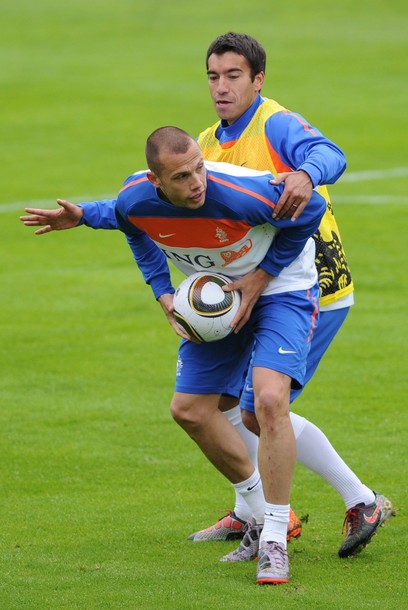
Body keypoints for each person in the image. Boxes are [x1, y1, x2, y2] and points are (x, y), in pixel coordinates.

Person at [20, 33, 394, 564]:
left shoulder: (274, 124)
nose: (221, 87)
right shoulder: (204, 145)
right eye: (213, 77)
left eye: (233, 75)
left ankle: (352, 501)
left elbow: (329, 154)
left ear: (258, 80)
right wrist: (90, 215)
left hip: (309, 280)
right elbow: (151, 204)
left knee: (260, 408)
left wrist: (306, 175)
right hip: (241, 284)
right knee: (216, 406)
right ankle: (254, 509)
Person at [24, 126, 328, 584]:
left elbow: (313, 209)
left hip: (282, 287)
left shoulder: (242, 194)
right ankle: (259, 511)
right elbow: (129, 220)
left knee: (267, 401)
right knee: (190, 410)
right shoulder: (138, 197)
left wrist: (263, 274)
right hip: (220, 295)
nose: (197, 183)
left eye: (199, 169)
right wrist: (160, 288)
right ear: (156, 180)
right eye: (182, 177)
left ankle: (274, 541)